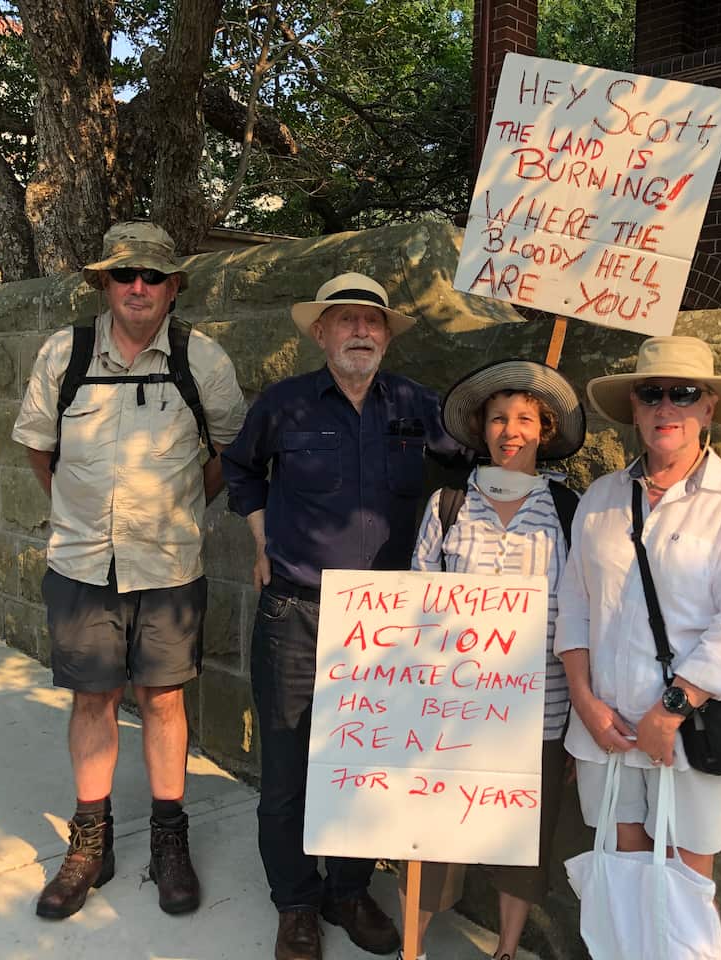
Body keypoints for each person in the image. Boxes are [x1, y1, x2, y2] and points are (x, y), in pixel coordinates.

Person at [221, 272, 470, 960]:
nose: (360, 332)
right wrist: (261, 540)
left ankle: (349, 889)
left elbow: (474, 466)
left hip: (387, 624)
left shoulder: (419, 406)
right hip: (297, 612)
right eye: (345, 320)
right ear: (319, 332)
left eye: (373, 322)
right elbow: (240, 470)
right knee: (289, 767)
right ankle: (296, 901)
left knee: (364, 766)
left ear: (387, 336)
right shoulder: (284, 405)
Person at [12, 221, 247, 920]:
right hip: (82, 561)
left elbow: (231, 449)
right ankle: (90, 841)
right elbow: (38, 448)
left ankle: (169, 838)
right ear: (103, 283)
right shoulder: (66, 352)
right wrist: (75, 512)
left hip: (169, 564)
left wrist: (182, 507)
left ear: (175, 285)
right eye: (124, 275)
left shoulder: (202, 360)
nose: (138, 287)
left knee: (164, 701)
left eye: (152, 275)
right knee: (92, 699)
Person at [555, 336, 721, 891]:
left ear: (708, 408)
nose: (666, 408)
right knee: (619, 864)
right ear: (633, 408)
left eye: (683, 394)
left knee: (684, 875)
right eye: (651, 394)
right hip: (606, 726)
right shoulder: (602, 499)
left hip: (688, 726)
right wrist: (584, 702)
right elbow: (575, 608)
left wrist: (671, 709)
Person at [401, 359, 586, 960]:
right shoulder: (448, 505)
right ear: (481, 429)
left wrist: (582, 717)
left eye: (526, 419)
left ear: (545, 431)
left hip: (540, 709)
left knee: (521, 838)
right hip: (451, 707)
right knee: (432, 833)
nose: (511, 430)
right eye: (499, 418)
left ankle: (506, 950)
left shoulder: (567, 511)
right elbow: (417, 602)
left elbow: (585, 614)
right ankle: (414, 945)